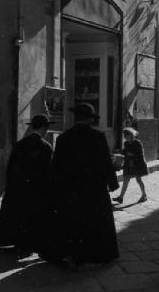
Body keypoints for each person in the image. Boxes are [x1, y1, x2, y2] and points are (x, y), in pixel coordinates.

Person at [40, 102, 119, 265]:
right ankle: (97, 254)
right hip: (94, 187)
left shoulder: (63, 138)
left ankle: (73, 253)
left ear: (75, 118)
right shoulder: (98, 136)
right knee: (96, 220)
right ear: (90, 119)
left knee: (72, 220)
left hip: (71, 188)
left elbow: (57, 166)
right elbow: (106, 162)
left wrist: (54, 187)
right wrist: (112, 183)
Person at [0, 114, 54, 257]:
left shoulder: (20, 144)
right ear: (44, 128)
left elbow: (11, 167)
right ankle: (30, 244)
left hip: (19, 187)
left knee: (19, 215)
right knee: (33, 216)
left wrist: (9, 186)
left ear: (32, 126)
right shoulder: (45, 146)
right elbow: (49, 171)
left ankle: (18, 242)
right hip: (37, 189)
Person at [112, 127, 148, 204]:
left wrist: (132, 154)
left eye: (126, 135)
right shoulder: (126, 143)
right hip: (128, 164)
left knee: (138, 180)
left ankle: (144, 195)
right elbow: (125, 152)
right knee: (125, 180)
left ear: (131, 135)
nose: (125, 137)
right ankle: (121, 197)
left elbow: (141, 154)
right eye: (124, 136)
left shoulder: (138, 143)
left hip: (137, 164)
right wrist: (120, 152)